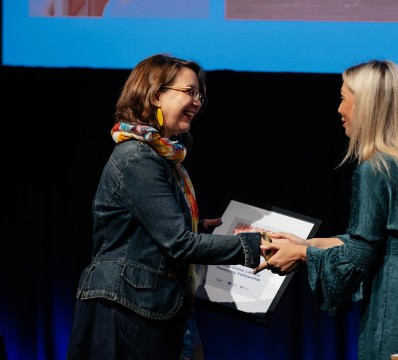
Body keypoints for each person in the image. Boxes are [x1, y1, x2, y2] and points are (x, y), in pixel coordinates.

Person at [254, 60, 398, 360]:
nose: (339, 109)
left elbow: (361, 256)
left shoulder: (374, 169)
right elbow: (376, 240)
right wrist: (306, 243)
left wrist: (301, 255)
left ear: (367, 105)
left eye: (343, 97)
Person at [67, 53, 264, 360]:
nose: (197, 101)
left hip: (156, 306)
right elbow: (179, 244)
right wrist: (256, 245)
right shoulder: (138, 158)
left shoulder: (165, 159)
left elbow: (154, 233)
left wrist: (201, 228)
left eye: (199, 94)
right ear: (157, 95)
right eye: (189, 92)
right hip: (126, 310)